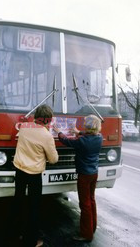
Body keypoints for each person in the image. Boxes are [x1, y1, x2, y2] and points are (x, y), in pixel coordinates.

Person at [13, 104, 59, 247]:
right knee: (34, 207)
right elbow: (53, 159)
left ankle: (16, 233)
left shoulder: (25, 127)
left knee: (18, 201)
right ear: (48, 120)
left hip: (19, 169)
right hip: (34, 174)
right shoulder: (46, 136)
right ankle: (31, 240)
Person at [53, 114, 103, 243]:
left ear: (88, 126)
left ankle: (86, 234)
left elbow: (66, 141)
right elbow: (88, 135)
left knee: (84, 204)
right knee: (91, 200)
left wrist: (59, 132)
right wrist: (78, 132)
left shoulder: (82, 141)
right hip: (94, 173)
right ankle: (92, 227)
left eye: (85, 123)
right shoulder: (99, 137)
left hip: (84, 175)